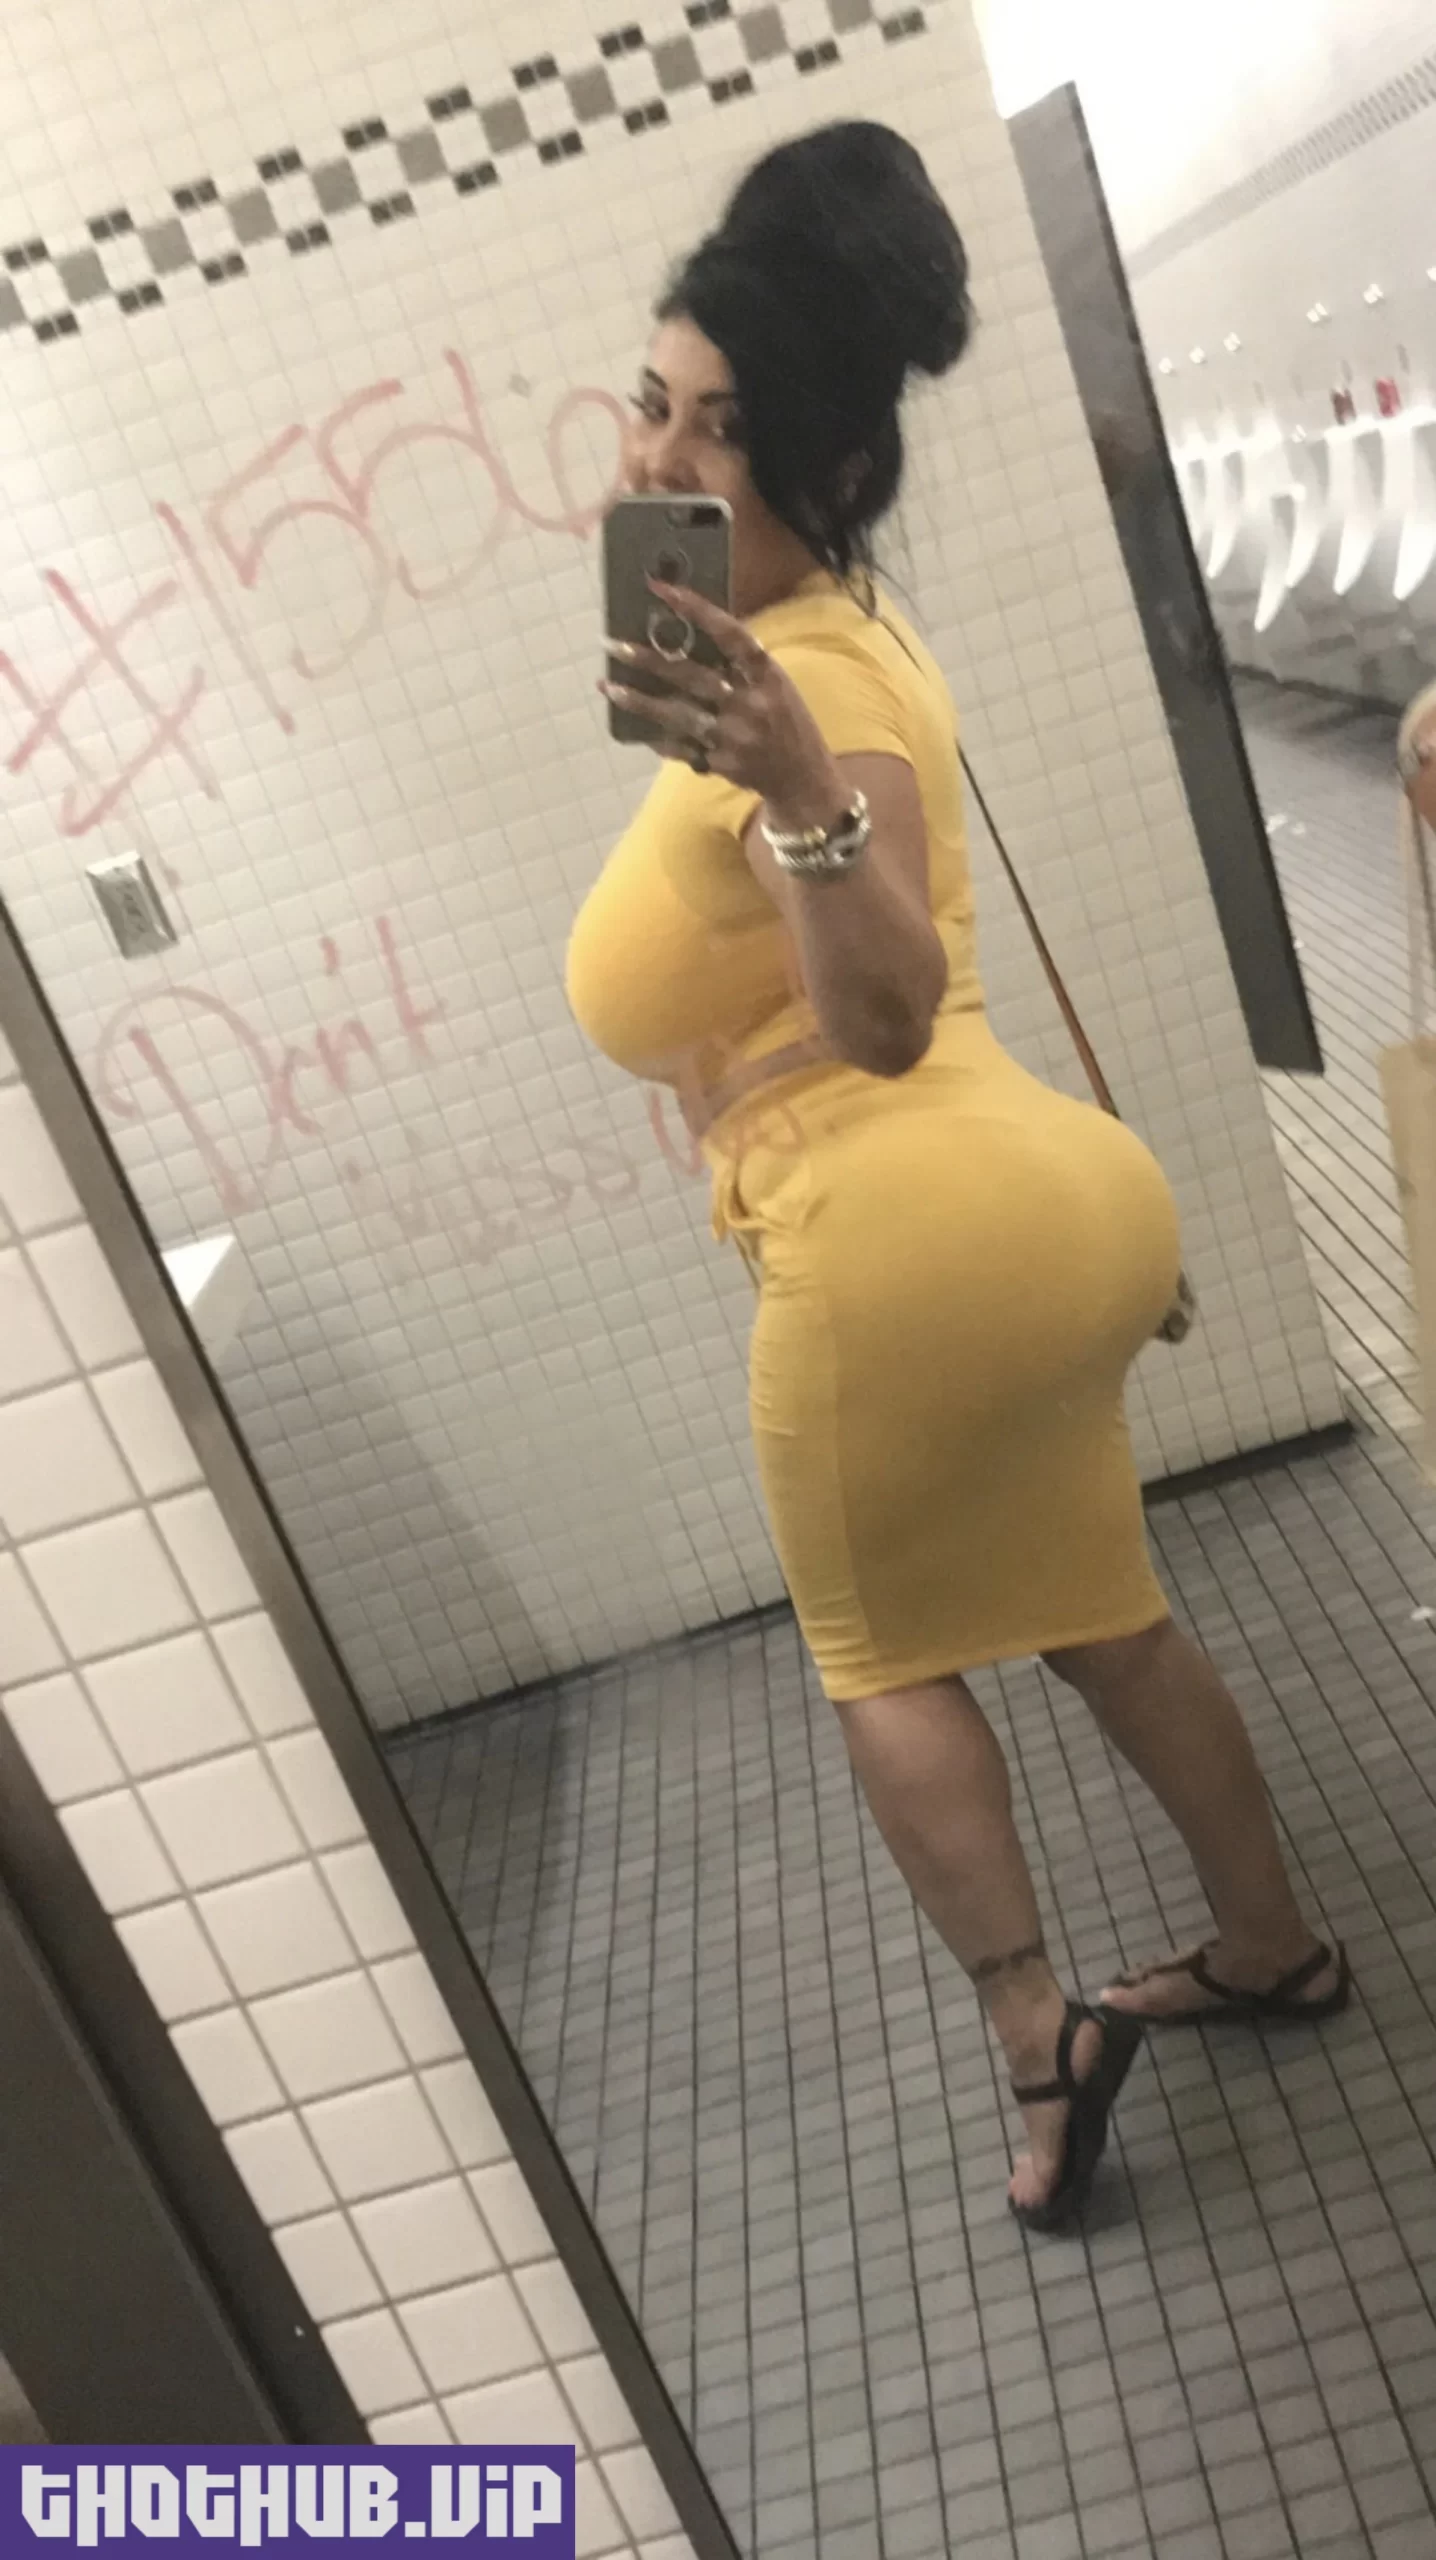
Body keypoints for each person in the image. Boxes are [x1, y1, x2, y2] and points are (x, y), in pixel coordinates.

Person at [565, 121, 1348, 2233]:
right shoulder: (830, 634)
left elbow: (891, 1008)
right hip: (1045, 1205)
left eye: (725, 429)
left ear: (828, 467)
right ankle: (1272, 1944)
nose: (662, 455)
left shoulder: (805, 697)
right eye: (653, 401)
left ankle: (1039, 2042)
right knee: (1102, 1617)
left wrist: (799, 801)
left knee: (879, 1660)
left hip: (901, 1241)